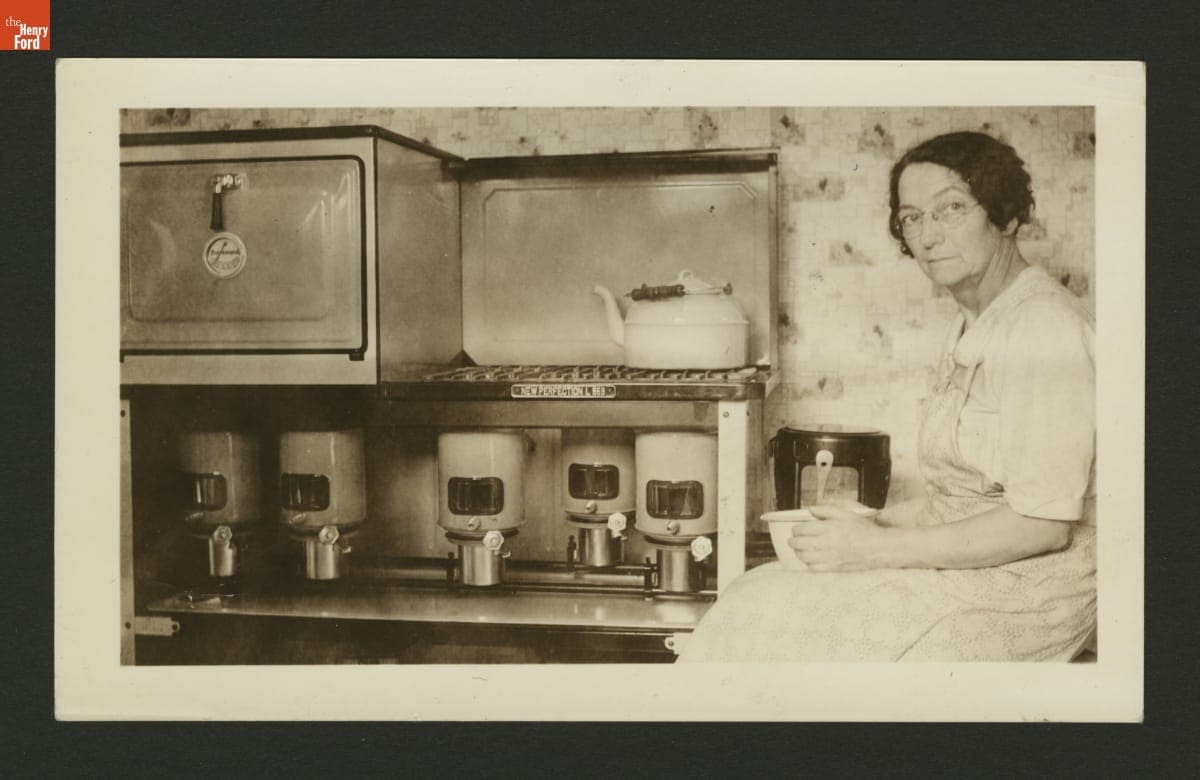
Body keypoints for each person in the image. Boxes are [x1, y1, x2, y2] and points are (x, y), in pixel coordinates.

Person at [679, 131, 1096, 662]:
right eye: (912, 218)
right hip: (975, 568)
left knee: (790, 637)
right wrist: (872, 520)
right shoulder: (975, 323)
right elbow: (967, 498)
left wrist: (876, 547)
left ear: (1006, 215)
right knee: (751, 598)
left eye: (950, 210)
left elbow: (1043, 524)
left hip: (1030, 593)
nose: (926, 236)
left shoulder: (1045, 327)